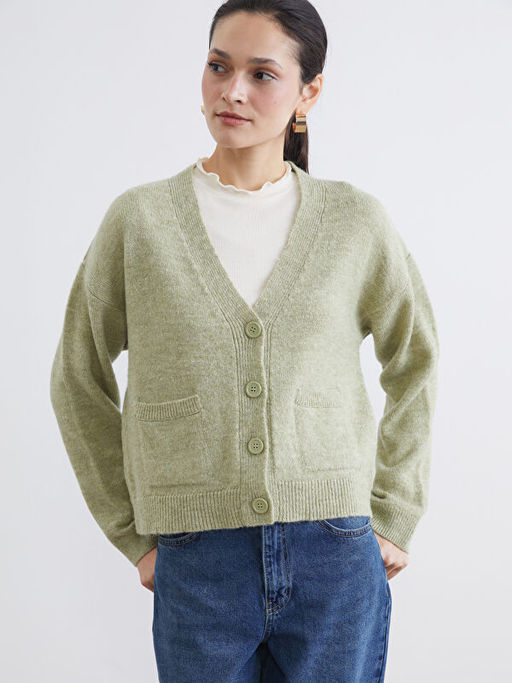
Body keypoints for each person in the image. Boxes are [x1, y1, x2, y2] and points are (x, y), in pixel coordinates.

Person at [49, 1, 439, 680]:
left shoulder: (354, 222)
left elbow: (416, 361)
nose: (232, 91)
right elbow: (76, 374)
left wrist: (394, 510)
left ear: (308, 92)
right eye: (218, 66)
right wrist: (132, 531)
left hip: (335, 551)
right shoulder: (140, 223)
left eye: (262, 74)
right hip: (196, 558)